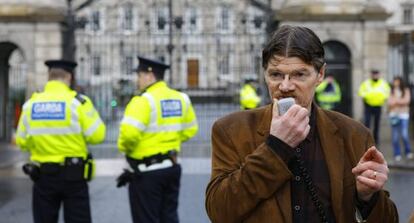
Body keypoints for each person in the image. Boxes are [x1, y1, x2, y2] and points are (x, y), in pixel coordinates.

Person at [205, 25, 398, 223]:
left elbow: (389, 219)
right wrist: (276, 148)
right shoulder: (230, 130)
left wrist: (367, 197)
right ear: (265, 75)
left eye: (299, 75)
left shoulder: (354, 134)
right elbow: (220, 212)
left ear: (320, 74)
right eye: (276, 75)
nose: (285, 86)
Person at [15, 59, 106, 223]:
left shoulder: (31, 105)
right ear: (69, 77)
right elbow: (98, 136)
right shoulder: (79, 103)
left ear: (49, 78)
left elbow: (21, 141)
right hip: (75, 176)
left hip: (43, 176)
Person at [116, 56, 198, 223]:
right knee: (169, 217)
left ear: (149, 76)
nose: (137, 80)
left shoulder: (142, 101)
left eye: (139, 76)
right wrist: (170, 139)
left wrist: (126, 149)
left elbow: (128, 136)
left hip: (146, 173)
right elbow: (191, 129)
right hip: (172, 167)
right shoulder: (181, 98)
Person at [358, 69, 391, 144]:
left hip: (378, 106)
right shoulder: (366, 83)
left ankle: (376, 140)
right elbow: (361, 92)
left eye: (376, 74)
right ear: (371, 75)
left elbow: (387, 92)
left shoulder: (383, 83)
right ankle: (366, 139)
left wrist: (381, 98)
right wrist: (368, 97)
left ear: (379, 75)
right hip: (368, 106)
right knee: (367, 123)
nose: (375, 76)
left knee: (377, 124)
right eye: (374, 74)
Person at [387, 76, 413, 161]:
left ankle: (408, 151)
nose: (395, 83)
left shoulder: (405, 90)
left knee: (404, 134)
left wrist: (396, 101)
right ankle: (397, 153)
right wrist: (399, 101)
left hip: (403, 115)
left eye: (397, 81)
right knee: (395, 136)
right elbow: (389, 102)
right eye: (395, 81)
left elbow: (407, 101)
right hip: (394, 115)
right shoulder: (391, 91)